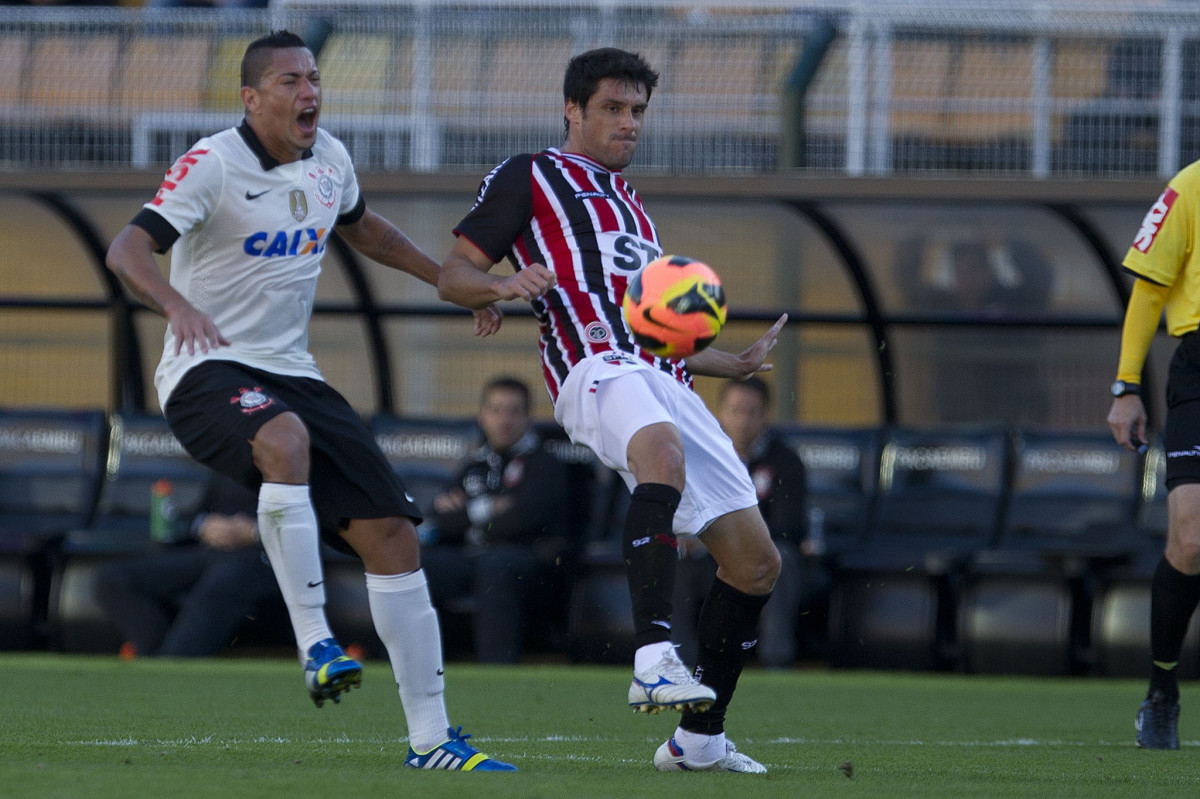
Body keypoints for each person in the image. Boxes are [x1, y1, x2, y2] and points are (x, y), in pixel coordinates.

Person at [104, 30, 514, 771]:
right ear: (251, 98)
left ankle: (432, 741)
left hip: (292, 371)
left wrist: (455, 284)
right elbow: (126, 250)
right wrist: (174, 307)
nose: (310, 93)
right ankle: (316, 641)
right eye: (291, 81)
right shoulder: (211, 163)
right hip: (205, 368)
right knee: (284, 440)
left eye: (315, 78)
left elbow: (370, 233)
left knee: (393, 532)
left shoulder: (330, 158)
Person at [438, 46, 786, 774]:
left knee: (757, 564)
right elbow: (455, 273)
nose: (629, 124)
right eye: (614, 110)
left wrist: (734, 361)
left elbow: (657, 337)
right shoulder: (531, 173)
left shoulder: (632, 207)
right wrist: (500, 288)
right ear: (574, 110)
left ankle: (698, 740)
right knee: (659, 455)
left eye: (637, 113)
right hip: (590, 366)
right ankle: (655, 654)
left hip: (663, 378)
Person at [1108, 163, 1200, 750]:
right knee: (1191, 540)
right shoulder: (1191, 186)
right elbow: (1150, 287)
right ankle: (1161, 689)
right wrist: (1126, 385)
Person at [423, 375, 571, 663]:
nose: (505, 420)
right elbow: (440, 520)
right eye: (496, 410)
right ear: (482, 416)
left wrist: (467, 516)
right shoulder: (474, 464)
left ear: (528, 417)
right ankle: (421, 664)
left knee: (497, 565)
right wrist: (489, 511)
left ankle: (497, 669)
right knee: (421, 564)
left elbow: (523, 520)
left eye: (514, 411)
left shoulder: (545, 465)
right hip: (475, 557)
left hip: (530, 565)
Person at [673, 377, 816, 670]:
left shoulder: (786, 461)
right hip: (709, 560)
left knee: (784, 559)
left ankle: (776, 665)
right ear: (720, 413)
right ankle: (679, 665)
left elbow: (789, 528)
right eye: (736, 410)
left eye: (752, 412)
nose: (743, 420)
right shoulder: (702, 456)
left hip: (759, 560)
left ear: (765, 415)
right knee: (668, 557)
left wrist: (727, 539)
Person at [95, 472, 280, 658]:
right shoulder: (234, 459)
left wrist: (255, 531)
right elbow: (198, 514)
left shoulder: (297, 462)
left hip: (264, 556)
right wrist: (204, 525)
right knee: (114, 578)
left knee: (224, 582)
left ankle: (174, 662)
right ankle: (156, 661)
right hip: (209, 551)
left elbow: (305, 525)